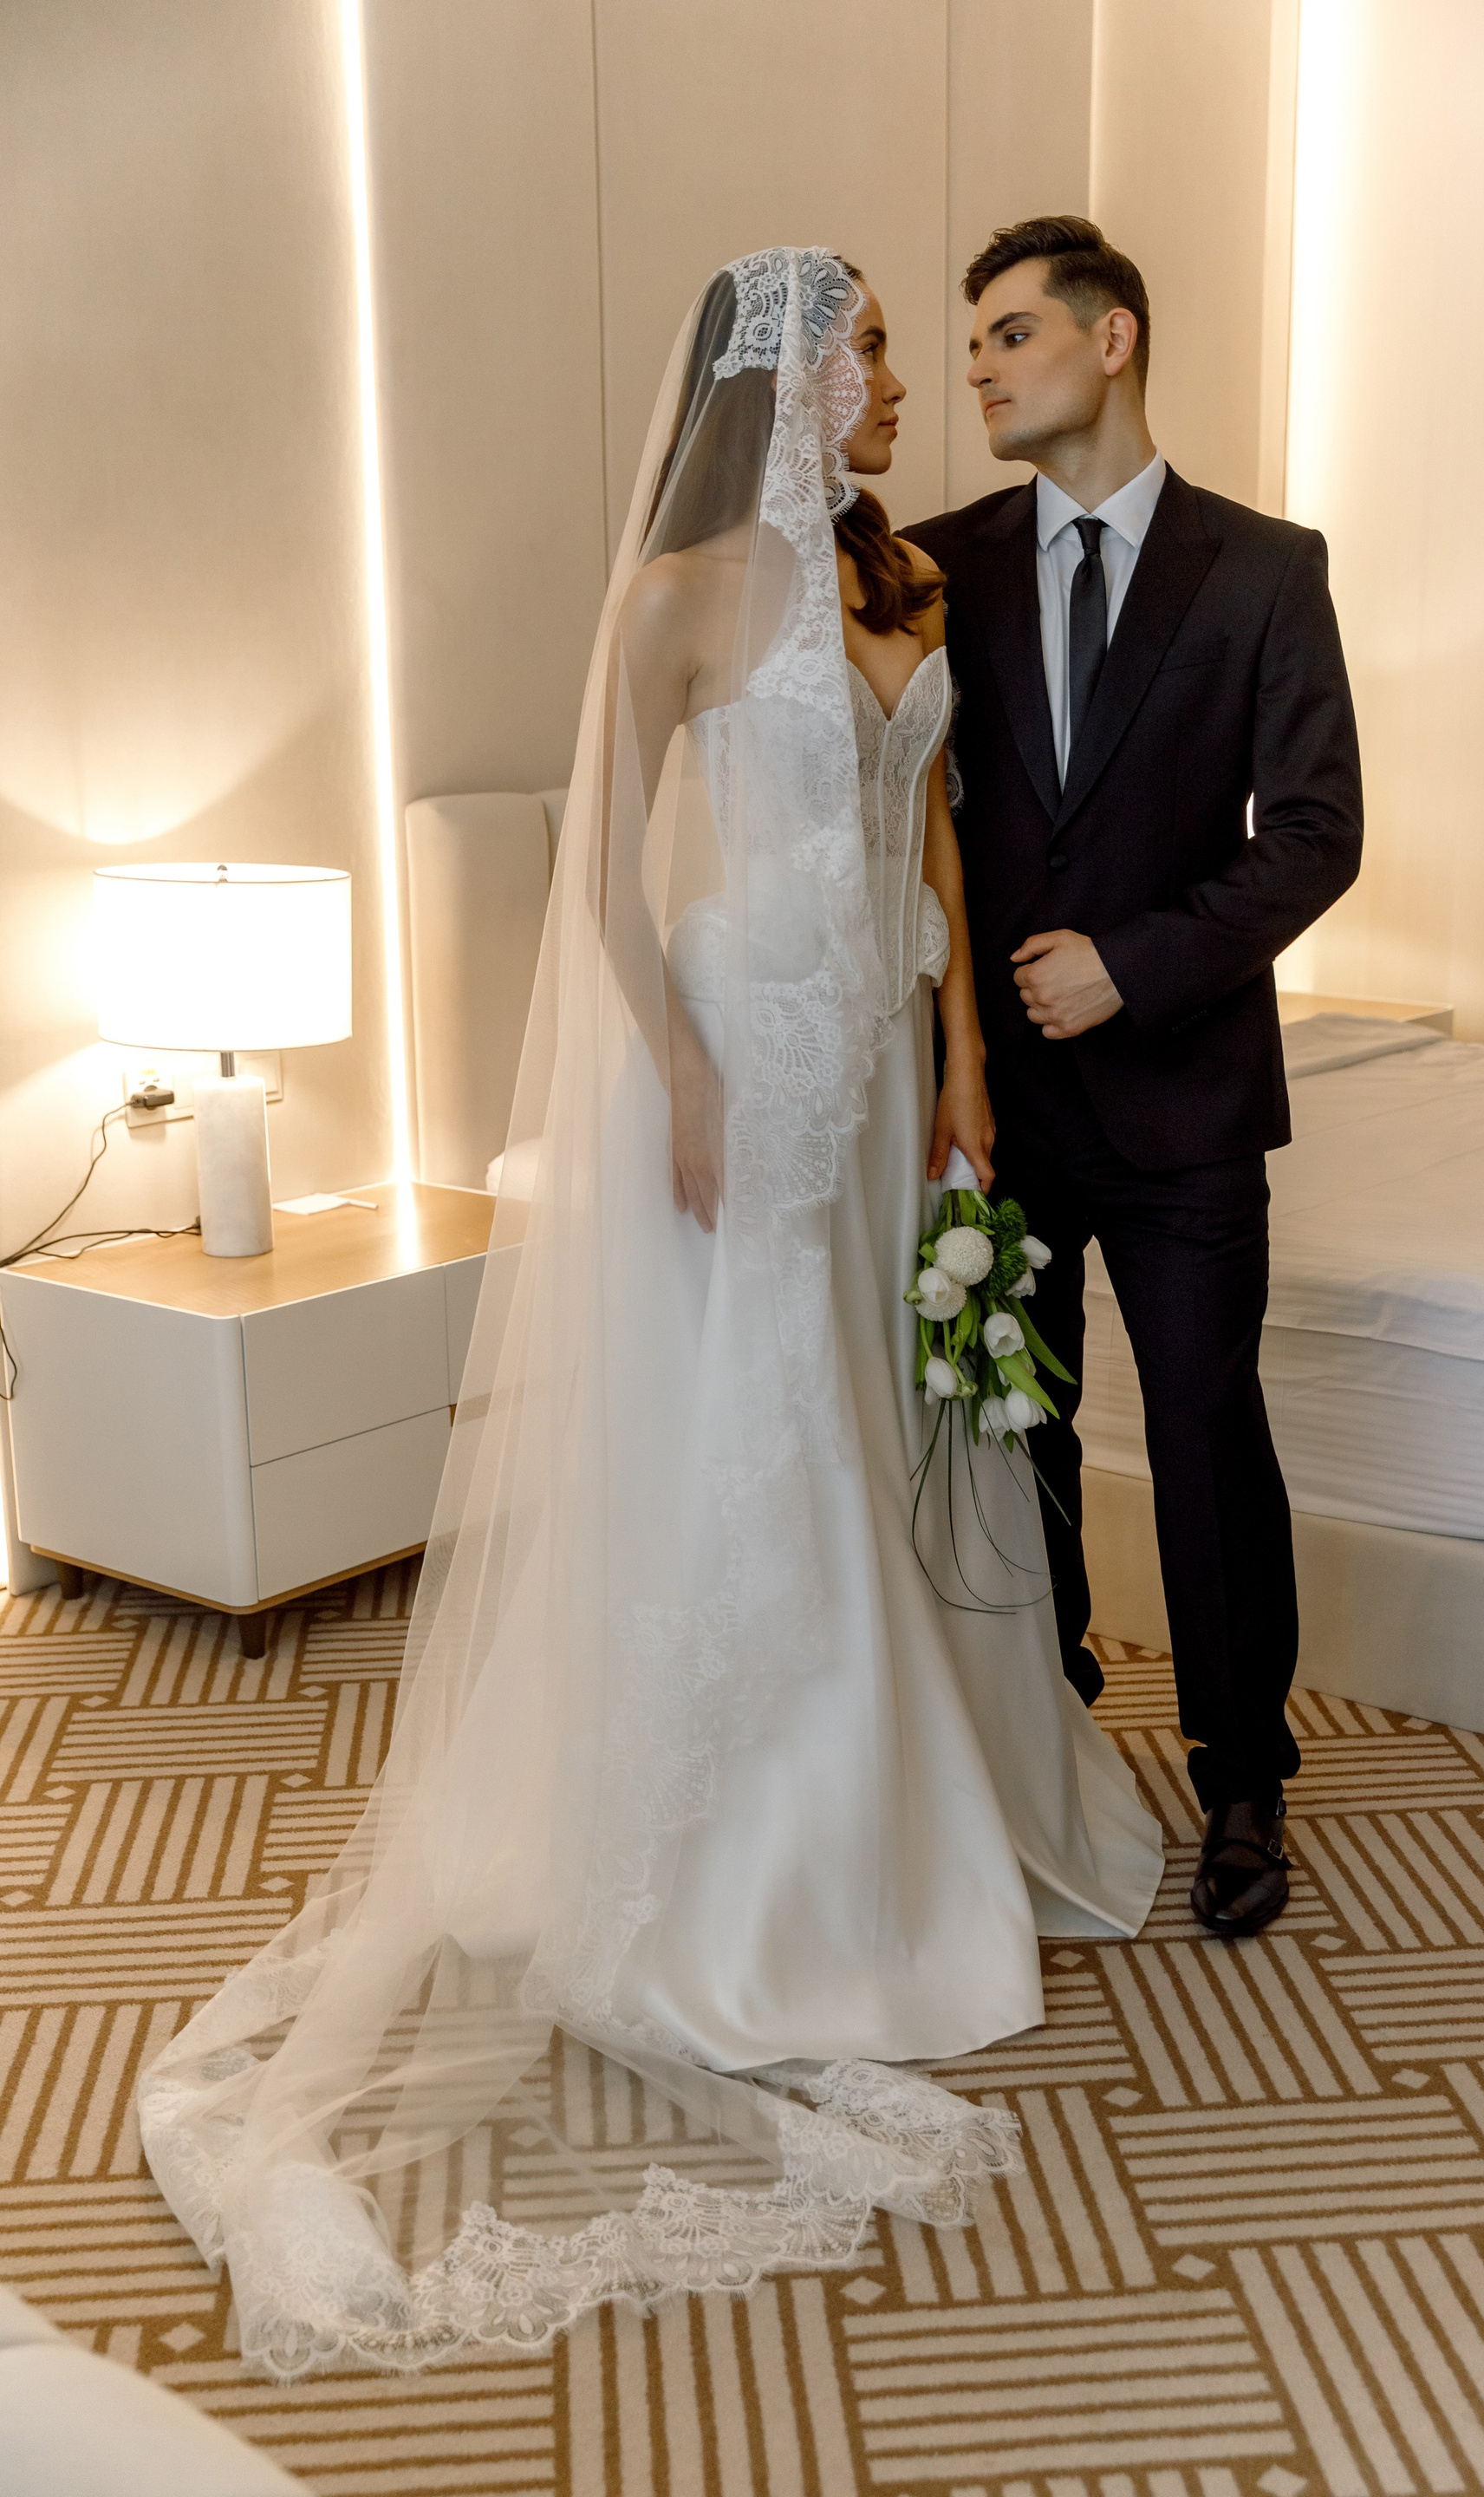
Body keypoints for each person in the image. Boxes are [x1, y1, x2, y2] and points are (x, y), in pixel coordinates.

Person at [138, 249, 1162, 2378]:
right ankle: (776, 1870)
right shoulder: (676, 599)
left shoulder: (899, 579)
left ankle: (918, 1800)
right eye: (869, 349)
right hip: (741, 1044)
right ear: (779, 376)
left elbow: (936, 836)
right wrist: (680, 1067)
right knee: (772, 1423)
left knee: (881, 1403)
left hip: (881, 1057)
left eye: (902, 347)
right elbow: (602, 862)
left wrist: (968, 1056)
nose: (901, 380)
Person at [903, 216, 1364, 1941]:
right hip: (996, 1109)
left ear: (1114, 341)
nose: (977, 369)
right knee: (1010, 1431)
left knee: (1205, 1435)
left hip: (1186, 1103)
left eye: (1010, 335)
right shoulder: (933, 568)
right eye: (968, 345)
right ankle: (1051, 1735)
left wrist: (1137, 963)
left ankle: (1244, 1778)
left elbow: (1316, 835)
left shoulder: (1265, 569)